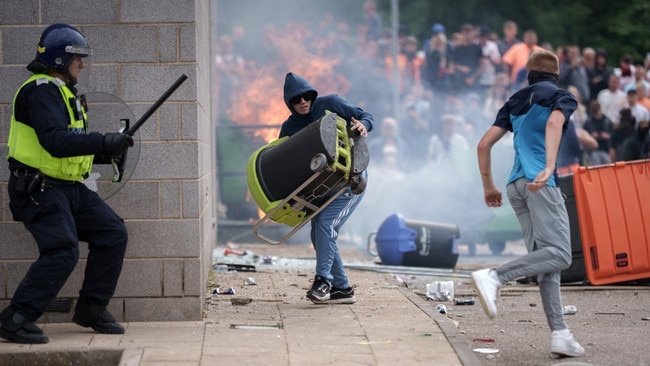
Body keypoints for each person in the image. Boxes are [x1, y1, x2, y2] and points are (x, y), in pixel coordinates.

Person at [1, 24, 133, 344]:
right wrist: (103, 139)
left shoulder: (65, 92)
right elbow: (56, 142)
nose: (82, 65)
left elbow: (71, 148)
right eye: (78, 59)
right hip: (39, 188)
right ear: (61, 59)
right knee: (62, 250)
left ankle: (91, 309)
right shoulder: (40, 90)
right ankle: (15, 318)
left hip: (69, 187)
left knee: (112, 233)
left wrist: (107, 150)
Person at [471, 49, 585, 358]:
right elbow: (553, 125)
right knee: (561, 254)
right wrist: (549, 167)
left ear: (529, 74)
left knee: (547, 261)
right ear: (556, 74)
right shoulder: (563, 96)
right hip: (540, 183)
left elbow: (483, 144)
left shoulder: (515, 100)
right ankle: (494, 277)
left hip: (515, 186)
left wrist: (488, 186)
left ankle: (560, 334)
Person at [279, 72, 373, 304]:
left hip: (351, 181)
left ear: (312, 95)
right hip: (321, 188)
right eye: (296, 100)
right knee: (319, 233)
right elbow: (284, 161)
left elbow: (364, 115)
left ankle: (323, 280)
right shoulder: (289, 127)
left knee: (325, 225)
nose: (302, 102)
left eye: (306, 97)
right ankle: (342, 289)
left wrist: (363, 124)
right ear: (289, 103)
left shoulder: (330, 103)